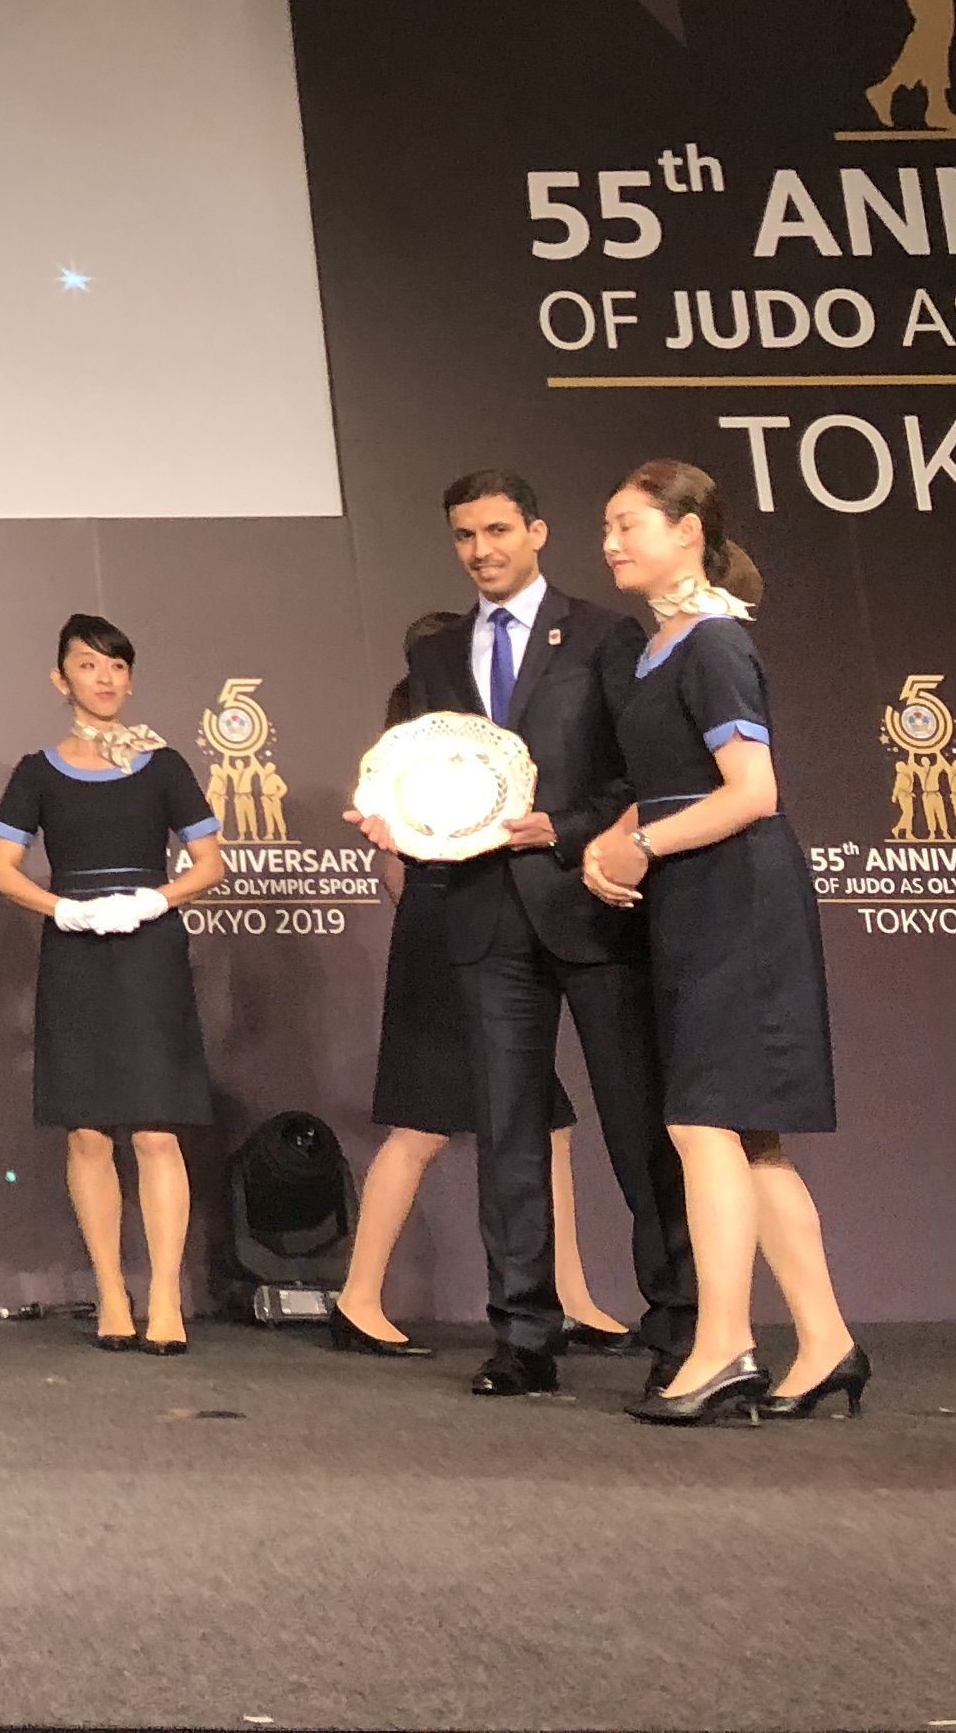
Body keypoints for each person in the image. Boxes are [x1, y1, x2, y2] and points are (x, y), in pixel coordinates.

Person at [354, 470, 697, 1396]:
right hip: (480, 915)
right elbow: (422, 779)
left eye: (498, 531)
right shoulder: (435, 656)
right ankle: (523, 1337)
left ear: (537, 532)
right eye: (465, 536)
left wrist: (567, 829)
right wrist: (398, 826)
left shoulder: (603, 635)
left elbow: (641, 771)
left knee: (637, 1128)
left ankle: (681, 1329)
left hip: (592, 904)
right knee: (509, 1135)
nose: (482, 551)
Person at [580, 460, 863, 1425]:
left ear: (689, 530)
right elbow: (669, 786)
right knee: (748, 1135)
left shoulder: (713, 643)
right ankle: (826, 1344)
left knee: (703, 1123)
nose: (612, 543)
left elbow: (752, 792)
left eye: (629, 525)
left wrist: (644, 845)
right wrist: (619, 839)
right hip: (693, 900)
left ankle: (724, 1347)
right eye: (607, 528)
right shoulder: (660, 648)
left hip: (738, 900)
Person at [330, 612, 642, 1363]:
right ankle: (358, 1300)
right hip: (447, 927)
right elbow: (398, 861)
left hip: (498, 920)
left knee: (547, 1121)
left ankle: (568, 1296)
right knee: (424, 1122)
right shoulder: (416, 745)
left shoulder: (501, 741)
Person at [0, 615, 226, 1353]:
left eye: (117, 665)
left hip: (150, 951)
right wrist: (64, 910)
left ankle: (166, 1300)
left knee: (155, 1129)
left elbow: (210, 864)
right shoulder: (37, 771)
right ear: (62, 680)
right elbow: (0, 871)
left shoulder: (164, 764)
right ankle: (112, 1295)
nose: (105, 678)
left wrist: (155, 900)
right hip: (76, 953)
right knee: (88, 1131)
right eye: (89, 665)